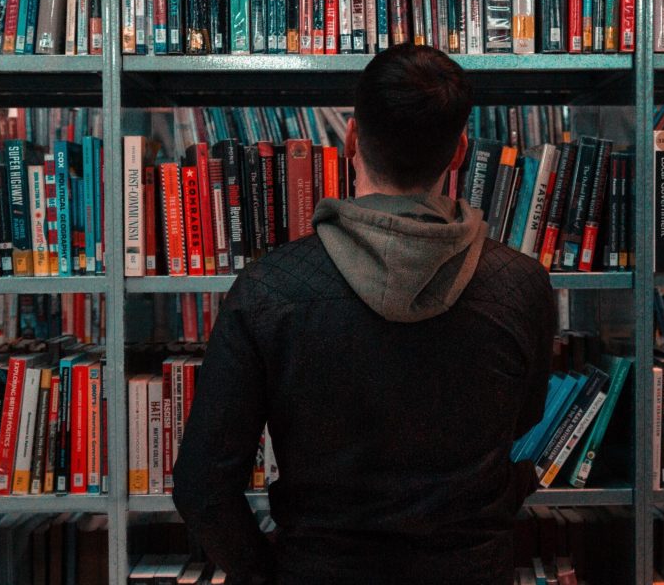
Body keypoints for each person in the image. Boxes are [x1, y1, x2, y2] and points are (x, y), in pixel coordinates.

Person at [172, 43, 556, 584]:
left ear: (351, 138)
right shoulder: (521, 285)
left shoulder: (270, 288)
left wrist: (266, 575)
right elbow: (522, 419)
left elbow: (201, 486)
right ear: (460, 152)